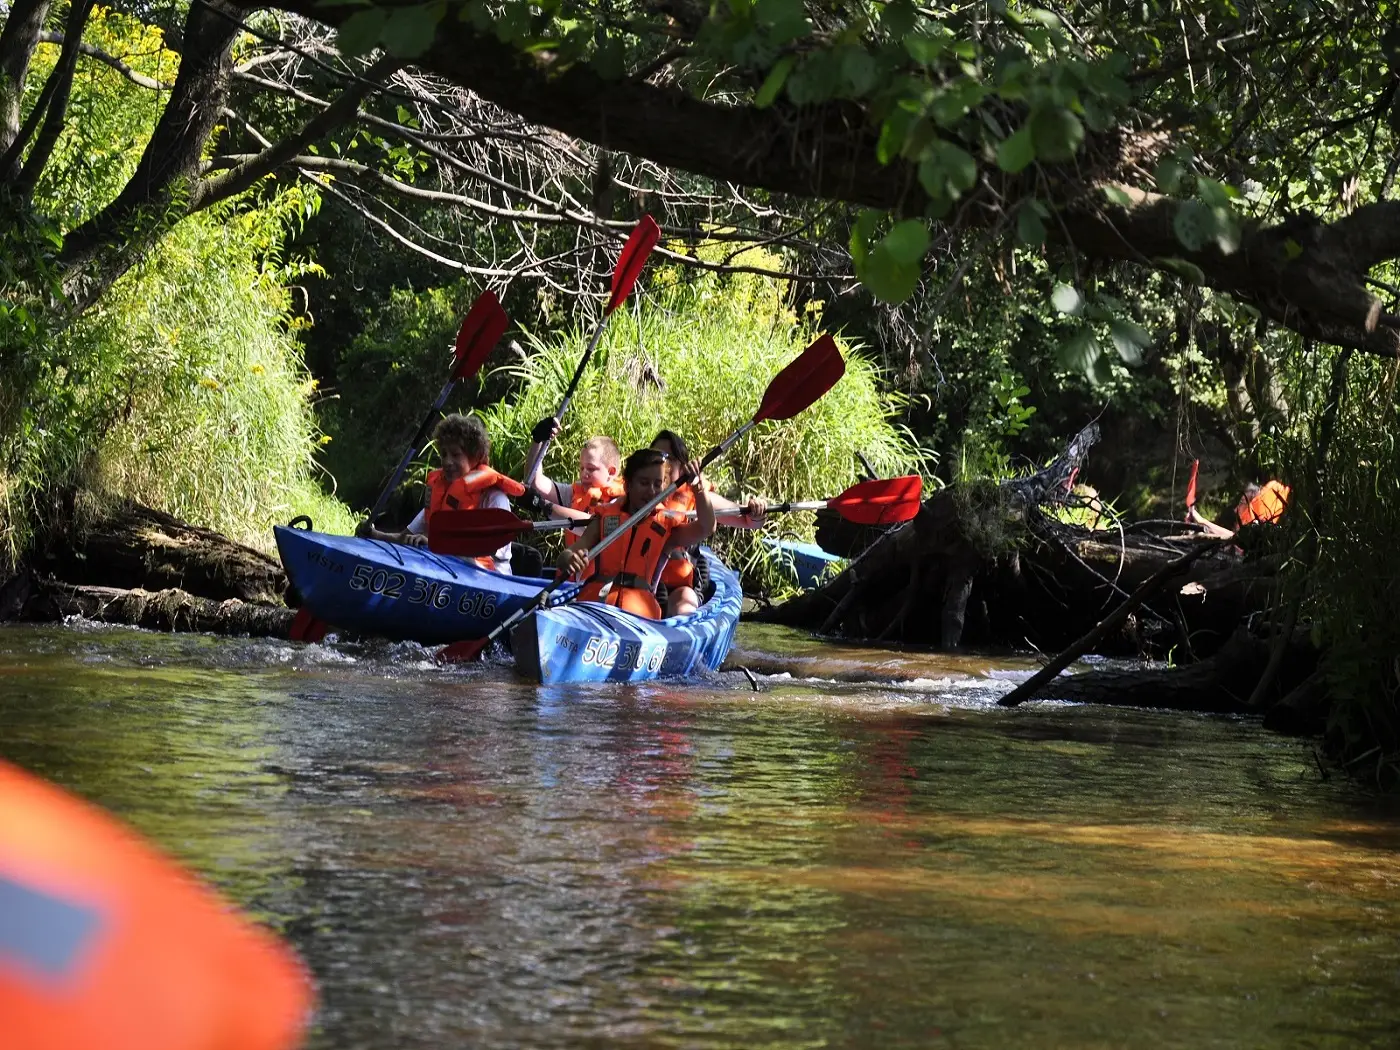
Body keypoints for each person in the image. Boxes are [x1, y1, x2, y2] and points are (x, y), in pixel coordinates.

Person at [558, 448, 716, 620]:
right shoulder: (604, 517)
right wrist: (569, 559)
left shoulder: (666, 528)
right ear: (628, 485)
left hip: (639, 618)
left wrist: (698, 487)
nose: (651, 491)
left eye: (657, 484)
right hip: (597, 608)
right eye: (644, 483)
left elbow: (706, 527)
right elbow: (569, 553)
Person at [362, 413, 524, 572]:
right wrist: (374, 534)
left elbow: (486, 549)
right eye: (444, 454)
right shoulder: (441, 494)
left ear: (475, 457)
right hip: (446, 568)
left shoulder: (495, 499)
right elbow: (404, 537)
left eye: (455, 454)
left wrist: (436, 544)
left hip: (488, 577)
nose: (447, 461)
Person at [650, 429, 766, 615]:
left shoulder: (696, 497)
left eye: (668, 457)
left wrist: (757, 514)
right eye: (656, 456)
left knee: (685, 602)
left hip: (678, 586)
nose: (662, 463)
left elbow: (748, 521)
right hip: (639, 579)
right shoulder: (636, 494)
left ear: (682, 466)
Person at [524, 423, 625, 527]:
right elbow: (535, 482)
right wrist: (538, 441)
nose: (584, 474)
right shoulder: (574, 493)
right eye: (582, 468)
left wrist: (543, 506)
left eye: (591, 469)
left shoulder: (622, 501)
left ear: (611, 472)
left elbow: (595, 527)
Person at [1189, 479, 1291, 539]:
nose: (1235, 510)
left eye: (1242, 502)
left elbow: (1233, 538)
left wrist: (1202, 521)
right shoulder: (1252, 525)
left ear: (1253, 505)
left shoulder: (1257, 527)